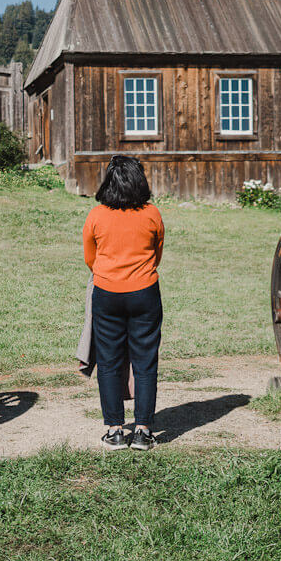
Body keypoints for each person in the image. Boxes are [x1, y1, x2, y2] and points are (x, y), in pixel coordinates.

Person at [82, 155, 164, 451]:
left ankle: (115, 430)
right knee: (145, 362)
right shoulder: (152, 214)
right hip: (145, 293)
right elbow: (157, 254)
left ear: (109, 181)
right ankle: (142, 431)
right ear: (139, 181)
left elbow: (89, 258)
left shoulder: (96, 215)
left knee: (108, 363)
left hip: (107, 294)